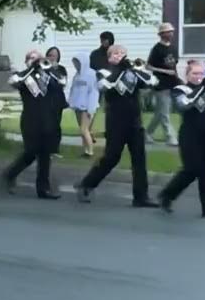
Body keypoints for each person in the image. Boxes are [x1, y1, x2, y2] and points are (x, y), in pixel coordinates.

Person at [76, 45, 160, 207]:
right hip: (115, 122)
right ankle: (87, 184)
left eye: (122, 53)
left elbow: (153, 82)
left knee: (139, 159)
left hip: (135, 122)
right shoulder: (104, 72)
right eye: (116, 54)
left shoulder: (133, 73)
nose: (120, 56)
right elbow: (103, 86)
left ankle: (141, 197)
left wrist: (136, 70)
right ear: (109, 57)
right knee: (111, 157)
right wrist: (120, 70)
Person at [158, 60, 205, 218]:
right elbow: (184, 105)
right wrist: (202, 88)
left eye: (201, 73)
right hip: (190, 135)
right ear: (187, 75)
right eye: (195, 73)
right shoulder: (180, 89)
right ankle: (167, 194)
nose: (199, 76)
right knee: (192, 169)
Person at [3, 50, 63, 200]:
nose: (35, 60)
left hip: (48, 119)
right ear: (26, 61)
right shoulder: (24, 76)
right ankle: (10, 174)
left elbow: (62, 82)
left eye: (37, 58)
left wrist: (47, 69)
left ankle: (43, 189)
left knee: (45, 154)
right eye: (31, 58)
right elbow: (12, 81)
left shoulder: (50, 75)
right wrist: (31, 68)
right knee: (30, 152)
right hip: (30, 119)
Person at [146, 23, 180, 145]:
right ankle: (170, 137)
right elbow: (148, 66)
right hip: (160, 84)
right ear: (161, 34)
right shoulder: (156, 49)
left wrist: (178, 78)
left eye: (171, 31)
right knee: (164, 112)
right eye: (167, 32)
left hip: (172, 83)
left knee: (160, 112)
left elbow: (174, 65)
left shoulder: (174, 48)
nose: (170, 34)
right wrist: (165, 71)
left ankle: (147, 133)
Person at [68, 50, 100, 157]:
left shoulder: (92, 74)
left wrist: (91, 108)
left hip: (87, 107)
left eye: (78, 62)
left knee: (84, 129)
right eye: (75, 62)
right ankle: (85, 150)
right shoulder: (77, 76)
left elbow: (94, 92)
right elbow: (73, 90)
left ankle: (90, 151)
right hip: (78, 106)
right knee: (82, 130)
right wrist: (71, 102)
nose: (76, 65)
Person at [44, 47, 67, 156]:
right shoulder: (43, 67)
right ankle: (45, 148)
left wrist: (53, 70)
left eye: (54, 55)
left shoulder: (61, 69)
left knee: (55, 125)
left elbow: (62, 83)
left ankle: (54, 149)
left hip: (57, 100)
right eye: (50, 55)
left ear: (58, 57)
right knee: (45, 124)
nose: (52, 57)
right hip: (45, 100)